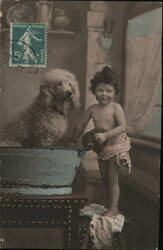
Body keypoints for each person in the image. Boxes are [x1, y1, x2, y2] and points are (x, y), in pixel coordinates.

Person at [70, 65, 131, 217]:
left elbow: (123, 127)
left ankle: (114, 209)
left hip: (117, 146)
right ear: (94, 90)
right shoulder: (92, 109)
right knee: (104, 178)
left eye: (108, 91)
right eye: (100, 90)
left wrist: (106, 135)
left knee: (112, 178)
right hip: (102, 149)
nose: (104, 94)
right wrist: (72, 140)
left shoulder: (116, 108)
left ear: (115, 92)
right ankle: (109, 206)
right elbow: (80, 125)